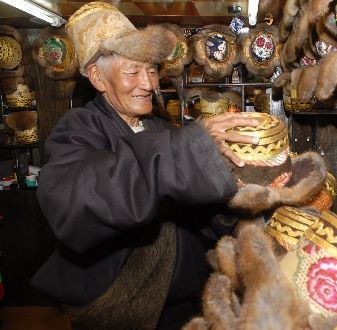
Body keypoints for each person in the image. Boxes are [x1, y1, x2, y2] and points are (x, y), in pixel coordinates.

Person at [29, 2, 260, 329]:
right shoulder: (80, 129)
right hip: (125, 312)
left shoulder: (159, 129)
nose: (149, 83)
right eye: (132, 71)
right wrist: (182, 153)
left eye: (152, 70)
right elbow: (74, 205)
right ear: (97, 77)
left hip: (184, 307)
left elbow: (196, 218)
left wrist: (231, 191)